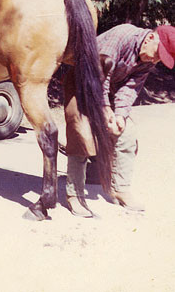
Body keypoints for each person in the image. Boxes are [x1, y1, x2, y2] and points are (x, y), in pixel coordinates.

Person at [65, 24, 175, 217]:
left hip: (106, 90)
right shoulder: (122, 36)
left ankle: (120, 188)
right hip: (82, 81)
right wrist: (105, 108)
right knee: (82, 132)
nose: (155, 60)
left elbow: (130, 88)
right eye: (158, 54)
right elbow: (100, 77)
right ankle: (75, 195)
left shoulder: (147, 59)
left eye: (161, 59)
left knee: (127, 132)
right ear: (150, 38)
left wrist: (120, 116)